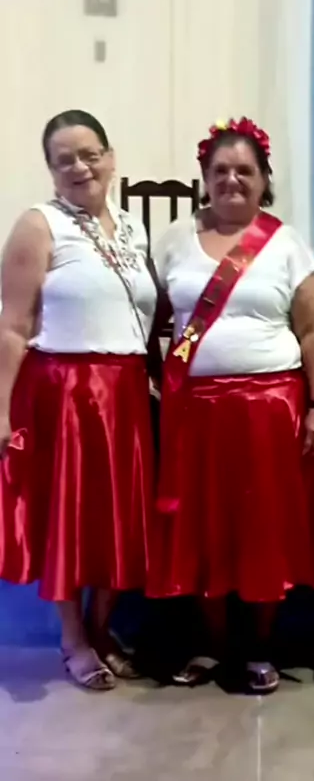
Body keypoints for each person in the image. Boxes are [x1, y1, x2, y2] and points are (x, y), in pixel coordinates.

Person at [149, 117, 314, 694]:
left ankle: (257, 645)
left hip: (268, 408)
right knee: (201, 526)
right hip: (195, 410)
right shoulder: (174, 239)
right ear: (205, 177)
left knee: (260, 526)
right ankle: (213, 642)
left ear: (264, 180)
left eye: (245, 171)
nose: (232, 180)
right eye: (221, 170)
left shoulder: (286, 243)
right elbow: (152, 318)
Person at [0, 109, 159, 690]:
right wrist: (1, 407)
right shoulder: (38, 224)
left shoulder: (134, 228)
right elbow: (12, 326)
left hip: (125, 393)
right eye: (64, 159)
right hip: (64, 392)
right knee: (67, 520)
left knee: (119, 519)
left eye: (90, 154)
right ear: (50, 169)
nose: (80, 167)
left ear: (110, 158)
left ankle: (100, 627)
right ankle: (73, 639)